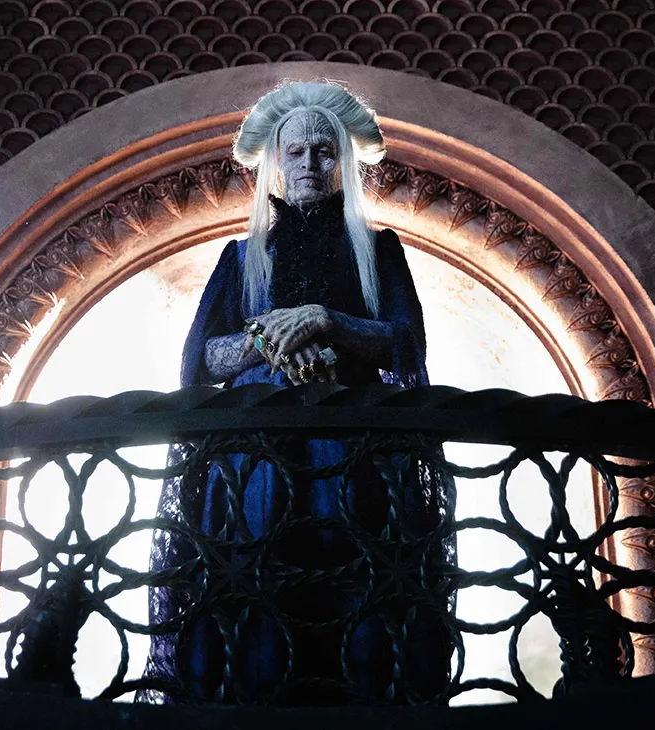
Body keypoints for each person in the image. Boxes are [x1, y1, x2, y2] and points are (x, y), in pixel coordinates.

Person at [141, 81, 452, 705]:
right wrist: (272, 338)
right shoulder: (241, 257)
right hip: (252, 463)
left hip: (356, 459)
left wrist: (326, 319)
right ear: (277, 162)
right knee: (256, 589)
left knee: (355, 589)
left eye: (323, 150)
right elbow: (201, 359)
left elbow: (405, 343)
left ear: (342, 160)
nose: (310, 163)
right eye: (296, 152)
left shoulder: (379, 251)